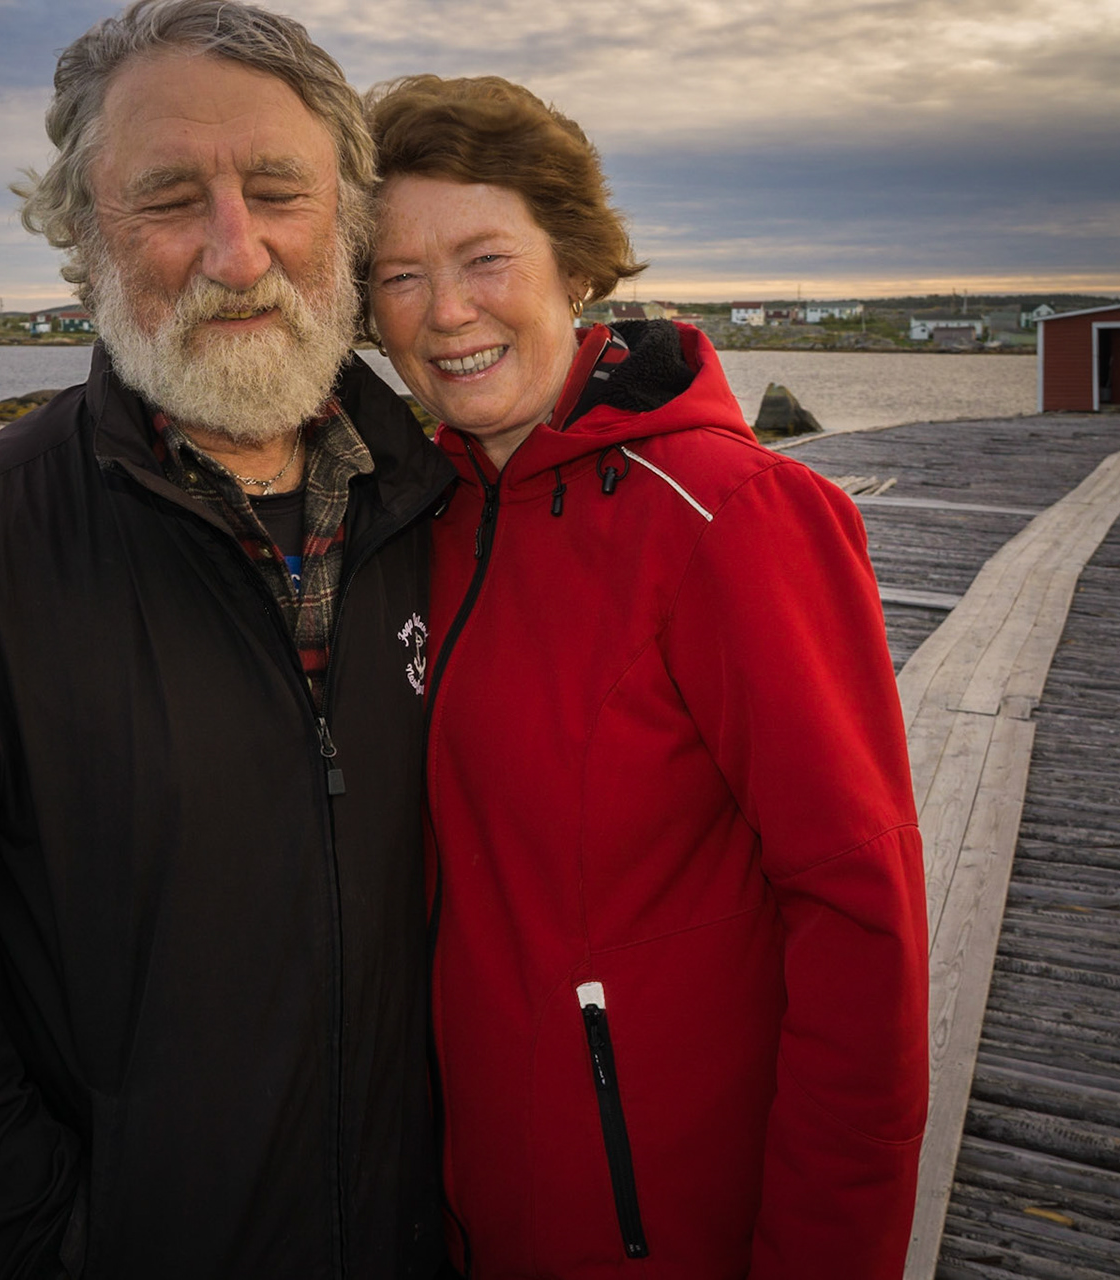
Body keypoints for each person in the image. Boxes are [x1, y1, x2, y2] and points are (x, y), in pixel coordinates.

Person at [0, 5, 453, 1277]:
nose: (238, 253)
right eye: (171, 198)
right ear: (83, 234)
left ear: (343, 217)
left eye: (278, 191)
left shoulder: (441, 506)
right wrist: (34, 1242)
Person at [363, 75, 928, 1278]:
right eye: (400, 275)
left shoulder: (736, 517)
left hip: (656, 1223)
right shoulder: (418, 516)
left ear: (574, 264)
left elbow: (861, 923)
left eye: (484, 258)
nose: (445, 311)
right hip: (452, 1204)